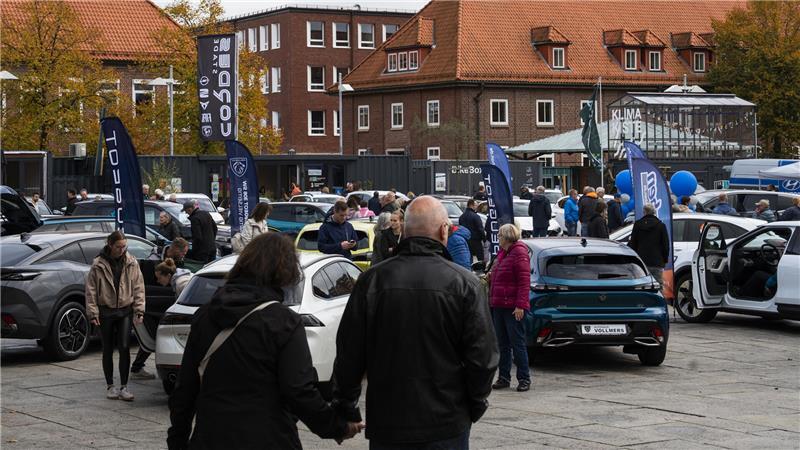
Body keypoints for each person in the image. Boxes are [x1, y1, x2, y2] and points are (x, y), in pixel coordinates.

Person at [332, 196, 498, 449]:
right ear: (443, 230)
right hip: (446, 421)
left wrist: (345, 406)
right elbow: (483, 358)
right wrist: (473, 404)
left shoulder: (372, 281)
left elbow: (349, 354)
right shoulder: (465, 284)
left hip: (390, 421)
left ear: (405, 231)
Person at [168, 233, 362, 449]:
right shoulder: (284, 322)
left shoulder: (205, 316)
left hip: (211, 437)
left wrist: (177, 440)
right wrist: (336, 427)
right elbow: (299, 391)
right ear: (284, 272)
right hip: (269, 437)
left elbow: (185, 389)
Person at [85, 231, 145, 402]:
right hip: (106, 311)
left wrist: (139, 310)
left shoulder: (131, 262)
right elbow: (90, 291)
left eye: (124, 246)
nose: (121, 249)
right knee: (107, 348)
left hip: (125, 310)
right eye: (118, 246)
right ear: (110, 245)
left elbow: (139, 287)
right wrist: (93, 313)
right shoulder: (98, 264)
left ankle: (124, 386)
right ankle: (110, 386)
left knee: (125, 346)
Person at [489, 224, 531, 392]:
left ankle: (524, 378)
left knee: (517, 344)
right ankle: (504, 377)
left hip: (513, 307)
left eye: (499, 235)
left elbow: (524, 281)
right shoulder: (502, 253)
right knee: (502, 344)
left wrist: (520, 305)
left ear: (507, 237)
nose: (498, 238)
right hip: (499, 305)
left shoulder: (519, 253)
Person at [628, 203, 669, 284]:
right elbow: (665, 245)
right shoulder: (661, 225)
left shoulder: (637, 224)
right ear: (654, 212)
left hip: (641, 261)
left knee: (641, 285)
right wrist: (665, 259)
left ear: (644, 212)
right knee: (658, 285)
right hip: (657, 261)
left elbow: (633, 243)